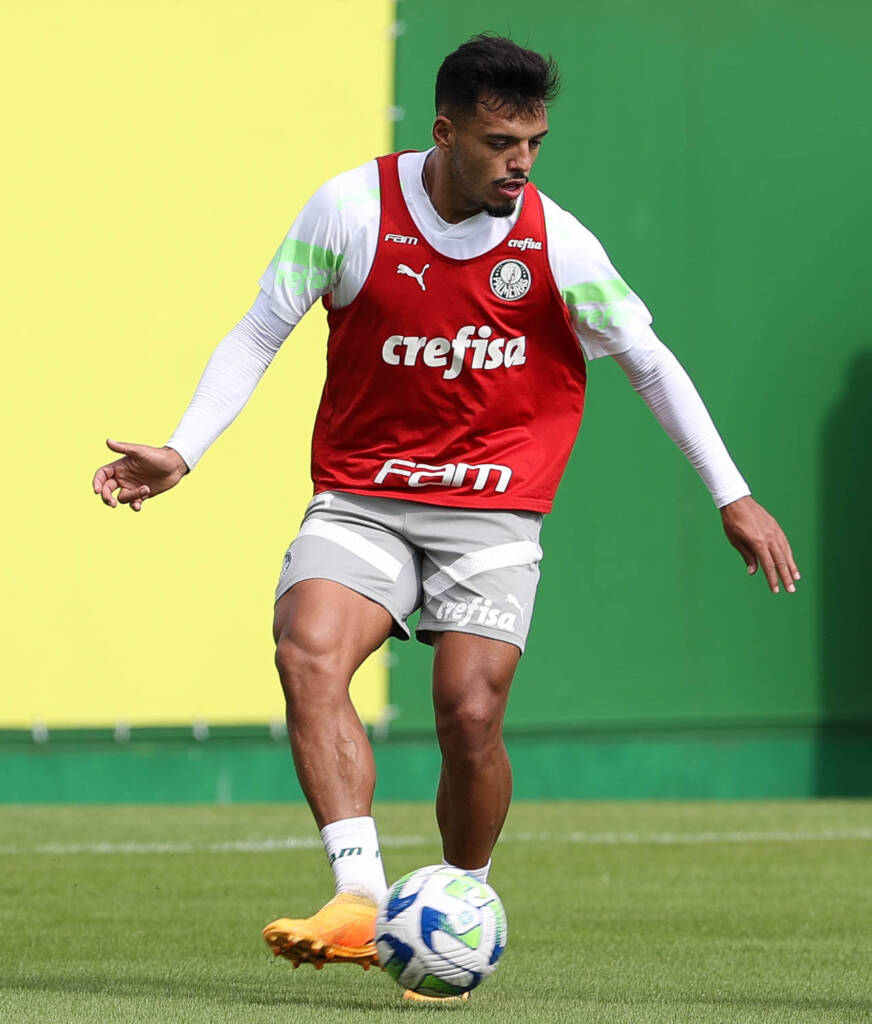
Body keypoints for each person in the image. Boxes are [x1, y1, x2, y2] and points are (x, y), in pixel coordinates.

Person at [92, 34, 799, 999]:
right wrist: (183, 449)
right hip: (364, 498)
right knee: (306, 652)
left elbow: (650, 361)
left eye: (534, 143)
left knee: (469, 712)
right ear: (444, 131)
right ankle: (358, 896)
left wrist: (732, 493)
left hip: (494, 510)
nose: (521, 162)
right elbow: (259, 331)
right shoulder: (350, 209)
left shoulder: (557, 242)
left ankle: (461, 898)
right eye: (501, 142)